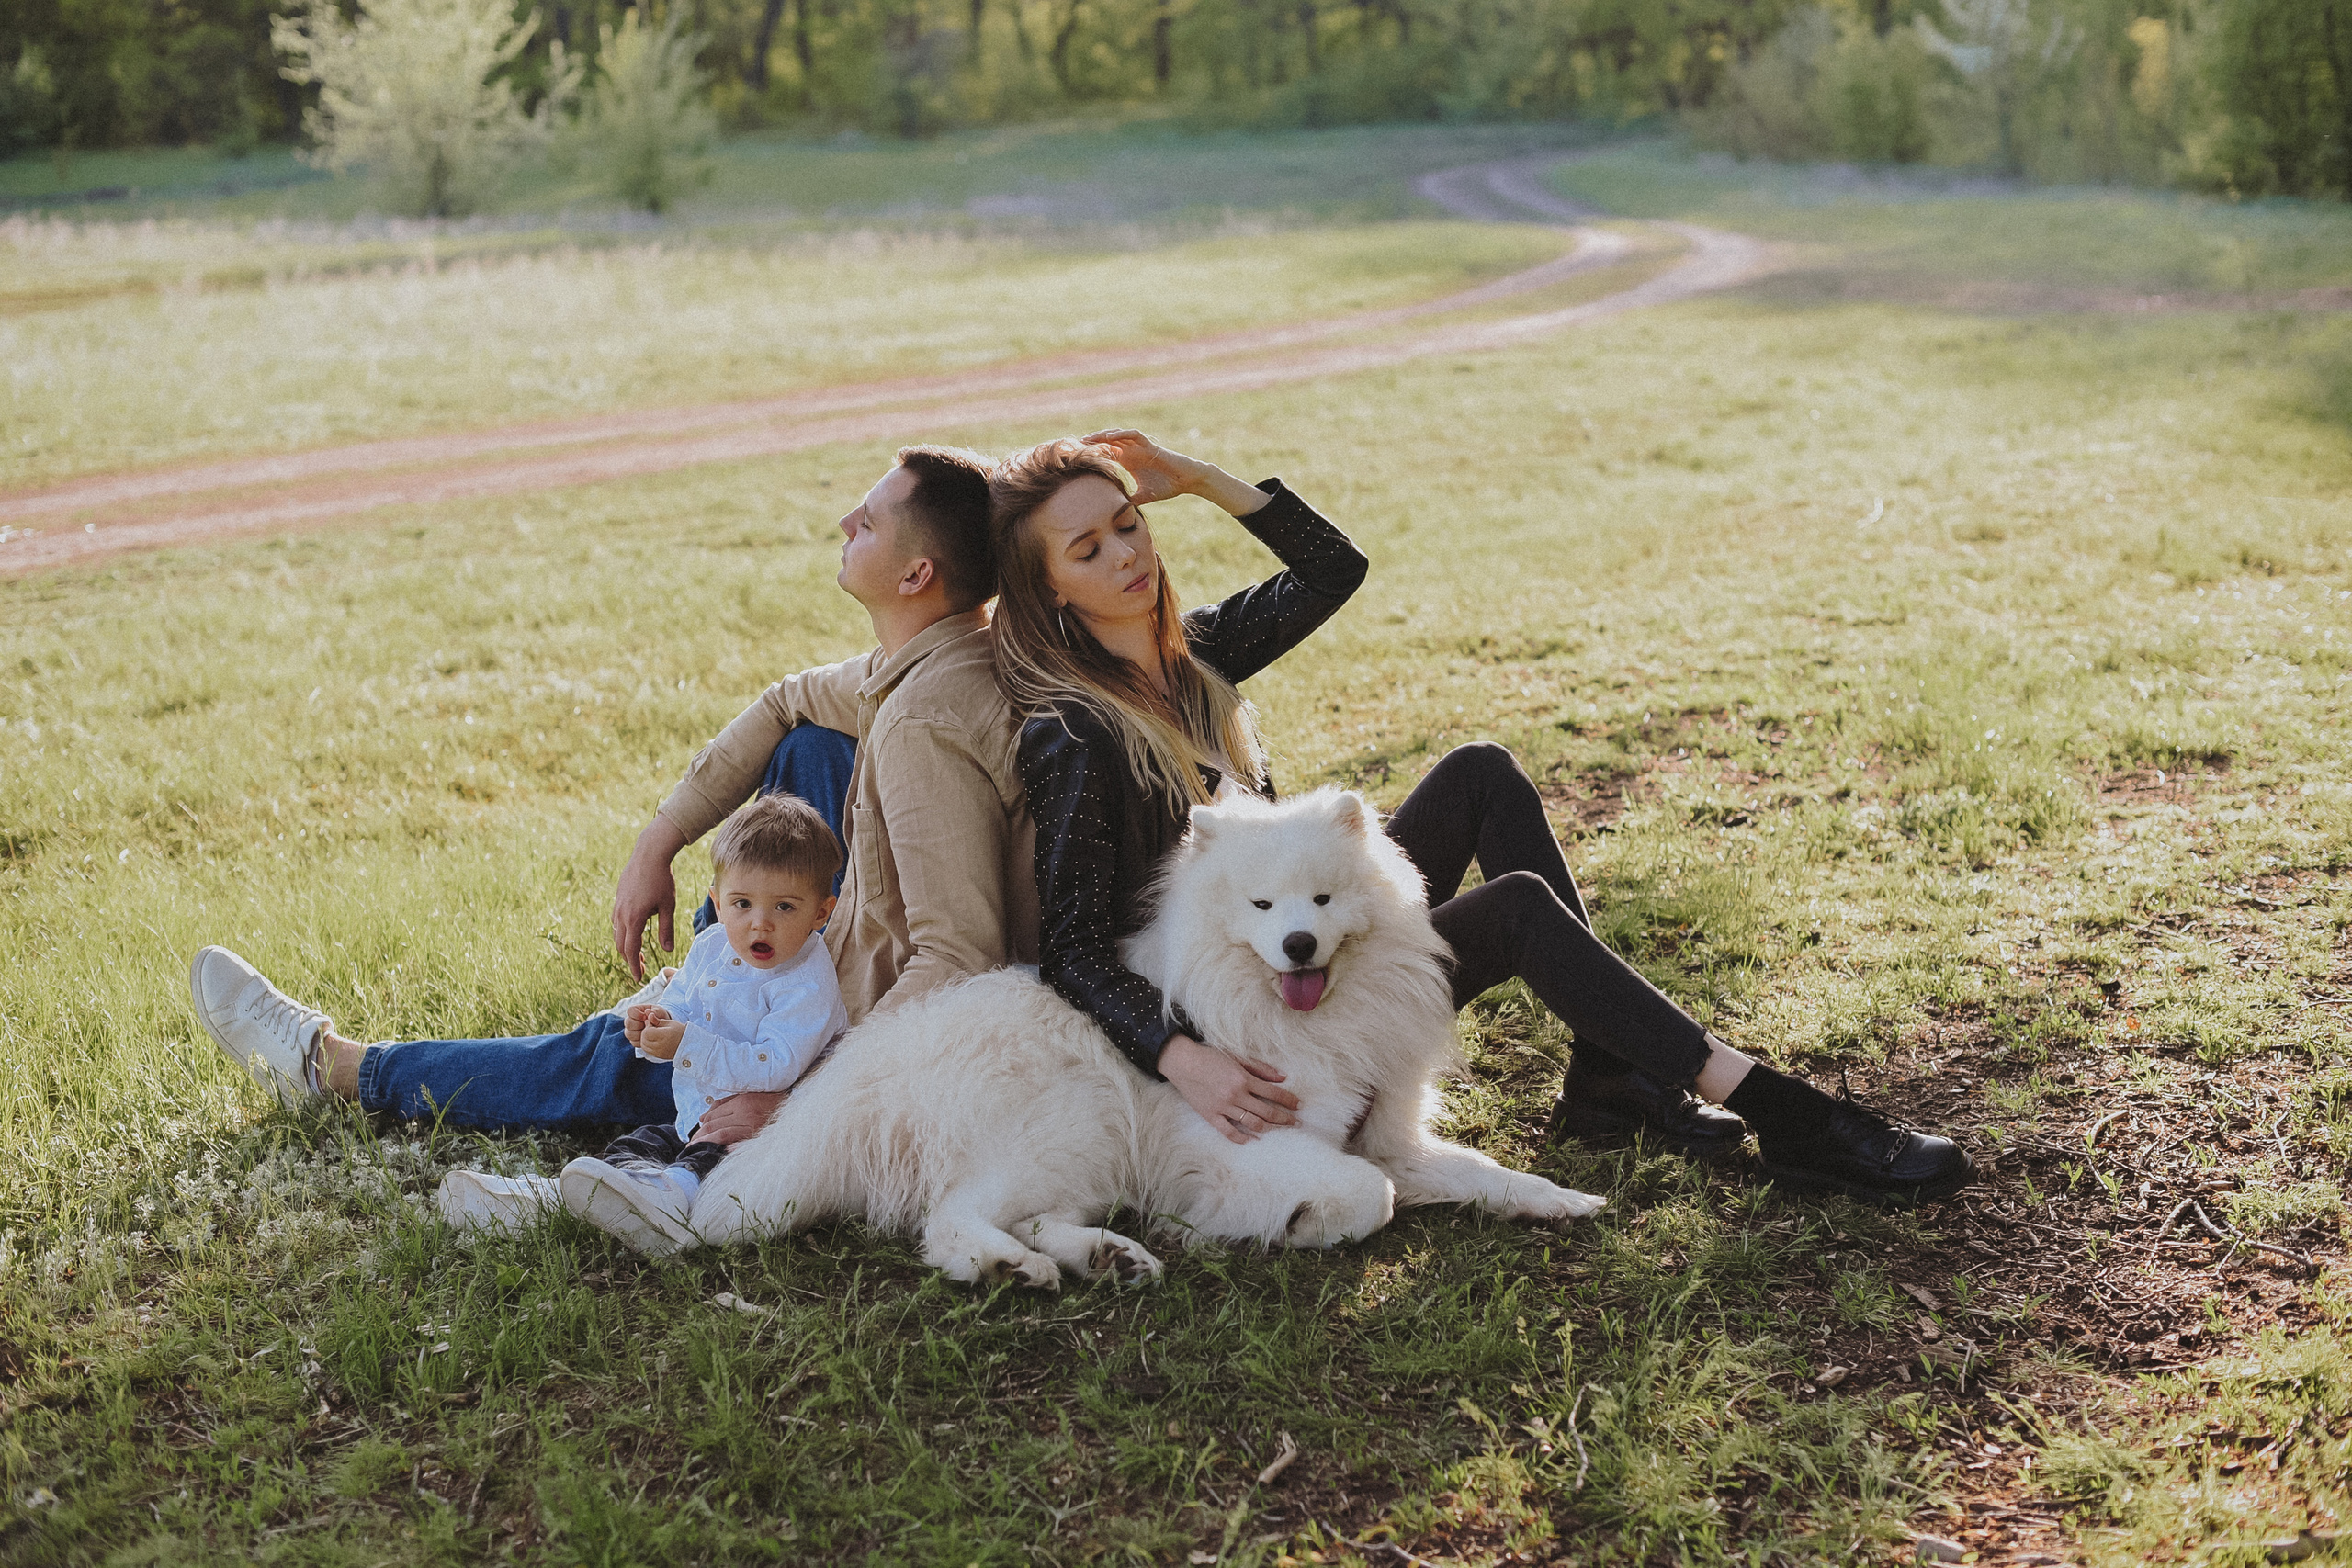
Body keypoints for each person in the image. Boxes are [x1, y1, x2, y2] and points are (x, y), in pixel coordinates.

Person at [991, 429, 1973, 1208]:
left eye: (1127, 522)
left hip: (1314, 942)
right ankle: (1777, 1109)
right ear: (1047, 586)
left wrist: (1198, 478)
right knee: (1514, 910)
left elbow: (1334, 568)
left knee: (1481, 773)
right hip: (1246, 1015)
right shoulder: (1074, 729)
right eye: (1088, 548)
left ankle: (1612, 1082)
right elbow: (1074, 946)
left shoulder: (1192, 657)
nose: (1125, 553)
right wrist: (1184, 1059)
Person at [190, 445, 1037, 1168]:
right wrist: (657, 841)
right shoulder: (922, 662)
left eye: (872, 520)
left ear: (917, 572)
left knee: (611, 1056)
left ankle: (337, 1067)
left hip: (862, 1017)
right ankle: (715, 972)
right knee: (810, 744)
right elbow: (786, 700)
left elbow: (960, 957)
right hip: (838, 935)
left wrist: (805, 1093)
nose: (847, 521)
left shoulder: (927, 722)